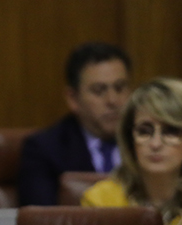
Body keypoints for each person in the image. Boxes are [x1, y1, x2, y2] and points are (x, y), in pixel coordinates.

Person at [82, 77, 182, 225]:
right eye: (144, 131)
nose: (155, 144)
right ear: (129, 140)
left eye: (171, 131)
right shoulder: (101, 202)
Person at [18, 42, 133, 206]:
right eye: (99, 90)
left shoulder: (147, 141)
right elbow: (41, 224)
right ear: (73, 98)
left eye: (120, 88)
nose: (113, 100)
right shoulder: (44, 150)